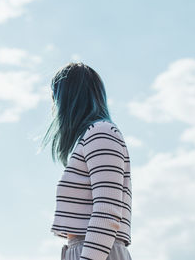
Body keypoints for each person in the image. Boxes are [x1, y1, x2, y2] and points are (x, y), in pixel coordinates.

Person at [40, 62, 133, 260]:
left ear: (68, 98)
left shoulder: (101, 132)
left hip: (98, 252)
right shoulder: (92, 136)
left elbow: (107, 211)